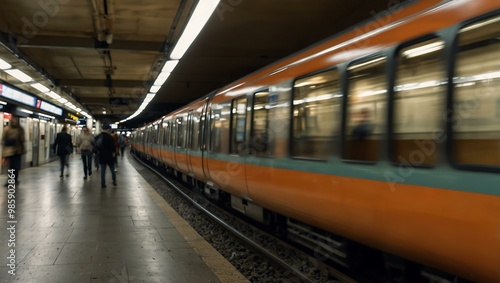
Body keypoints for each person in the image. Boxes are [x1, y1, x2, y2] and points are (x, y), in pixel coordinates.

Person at [2, 116, 26, 185]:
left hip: (18, 151)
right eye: (14, 120)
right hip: (10, 150)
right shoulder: (7, 129)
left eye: (16, 120)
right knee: (11, 166)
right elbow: (3, 139)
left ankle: (13, 180)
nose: (15, 121)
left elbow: (23, 139)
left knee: (15, 166)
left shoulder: (20, 129)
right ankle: (12, 180)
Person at [96, 123, 116, 188]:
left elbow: (95, 144)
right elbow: (113, 147)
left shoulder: (99, 136)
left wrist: (97, 151)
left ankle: (103, 184)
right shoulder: (110, 137)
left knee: (103, 171)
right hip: (109, 155)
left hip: (102, 155)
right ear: (108, 129)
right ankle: (114, 181)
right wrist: (113, 153)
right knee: (112, 169)